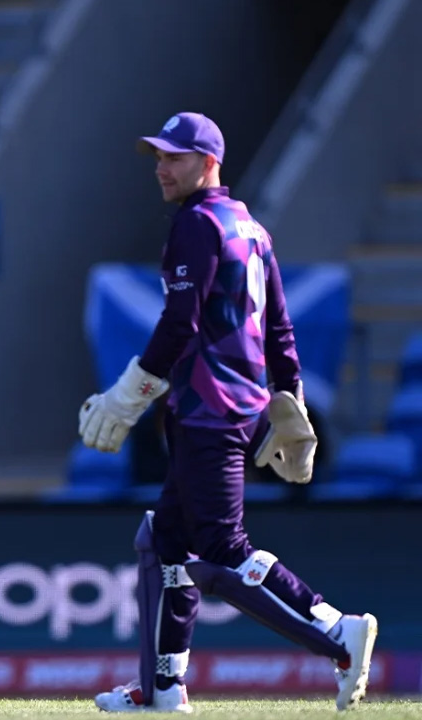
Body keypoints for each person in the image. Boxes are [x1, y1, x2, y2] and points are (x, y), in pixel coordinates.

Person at [78, 112, 377, 713]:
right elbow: (280, 328)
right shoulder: (250, 226)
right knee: (164, 540)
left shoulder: (195, 223)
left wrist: (128, 394)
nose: (162, 168)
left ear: (210, 162)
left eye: (176, 158)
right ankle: (163, 687)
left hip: (207, 410)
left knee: (221, 549)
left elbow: (179, 323)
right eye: (159, 157)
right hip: (233, 407)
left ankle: (335, 631)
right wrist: (289, 404)